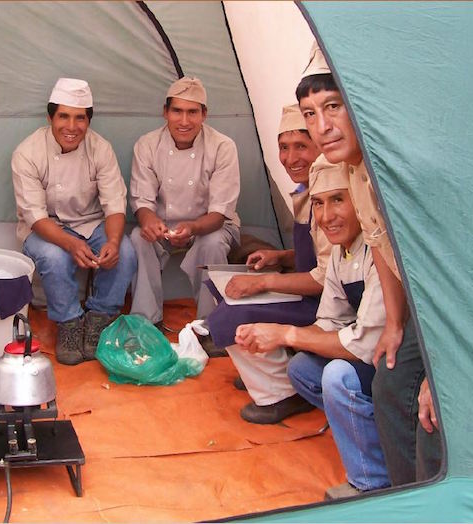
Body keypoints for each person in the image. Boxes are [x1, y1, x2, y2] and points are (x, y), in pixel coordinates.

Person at [295, 43, 441, 484]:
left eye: (333, 106)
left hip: (449, 311)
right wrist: (395, 325)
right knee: (388, 383)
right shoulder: (356, 171)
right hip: (413, 313)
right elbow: (382, 247)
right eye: (309, 114)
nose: (322, 127)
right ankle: (398, 493)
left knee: (429, 411)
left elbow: (441, 273)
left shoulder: (399, 170)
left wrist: (443, 372)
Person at [236, 160, 389, 499]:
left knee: (337, 376)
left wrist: (286, 334)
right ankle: (372, 435)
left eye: (338, 200)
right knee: (303, 368)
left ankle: (373, 481)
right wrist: (279, 337)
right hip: (365, 349)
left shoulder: (378, 248)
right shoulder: (341, 252)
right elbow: (330, 320)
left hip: (395, 360)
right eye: (318, 203)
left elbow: (365, 343)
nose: (326, 215)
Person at [205, 104, 331, 424]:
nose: (291, 158)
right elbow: (320, 253)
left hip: (330, 305)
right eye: (284, 148)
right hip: (311, 290)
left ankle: (283, 391)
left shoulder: (330, 194)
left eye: (302, 146)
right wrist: (282, 257)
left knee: (232, 313)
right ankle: (262, 372)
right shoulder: (305, 189)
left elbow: (328, 278)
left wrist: (263, 282)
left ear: (320, 146)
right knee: (226, 291)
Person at [12, 78, 136, 365]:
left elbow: (115, 204)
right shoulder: (27, 153)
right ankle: (68, 323)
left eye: (80, 118)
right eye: (63, 116)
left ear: (88, 121)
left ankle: (99, 318)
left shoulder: (100, 149)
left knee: (127, 253)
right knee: (55, 258)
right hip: (44, 228)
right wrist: (70, 244)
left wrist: (114, 242)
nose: (71, 127)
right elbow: (35, 216)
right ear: (50, 118)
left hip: (92, 223)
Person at [129, 76, 240, 352]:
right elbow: (142, 200)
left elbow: (219, 212)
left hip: (211, 225)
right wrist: (149, 220)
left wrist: (192, 227)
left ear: (204, 114)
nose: (184, 121)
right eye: (177, 111)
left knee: (211, 242)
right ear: (165, 112)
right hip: (164, 226)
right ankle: (146, 323)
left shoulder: (222, 147)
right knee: (137, 237)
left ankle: (210, 326)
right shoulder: (147, 144)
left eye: (193, 112)